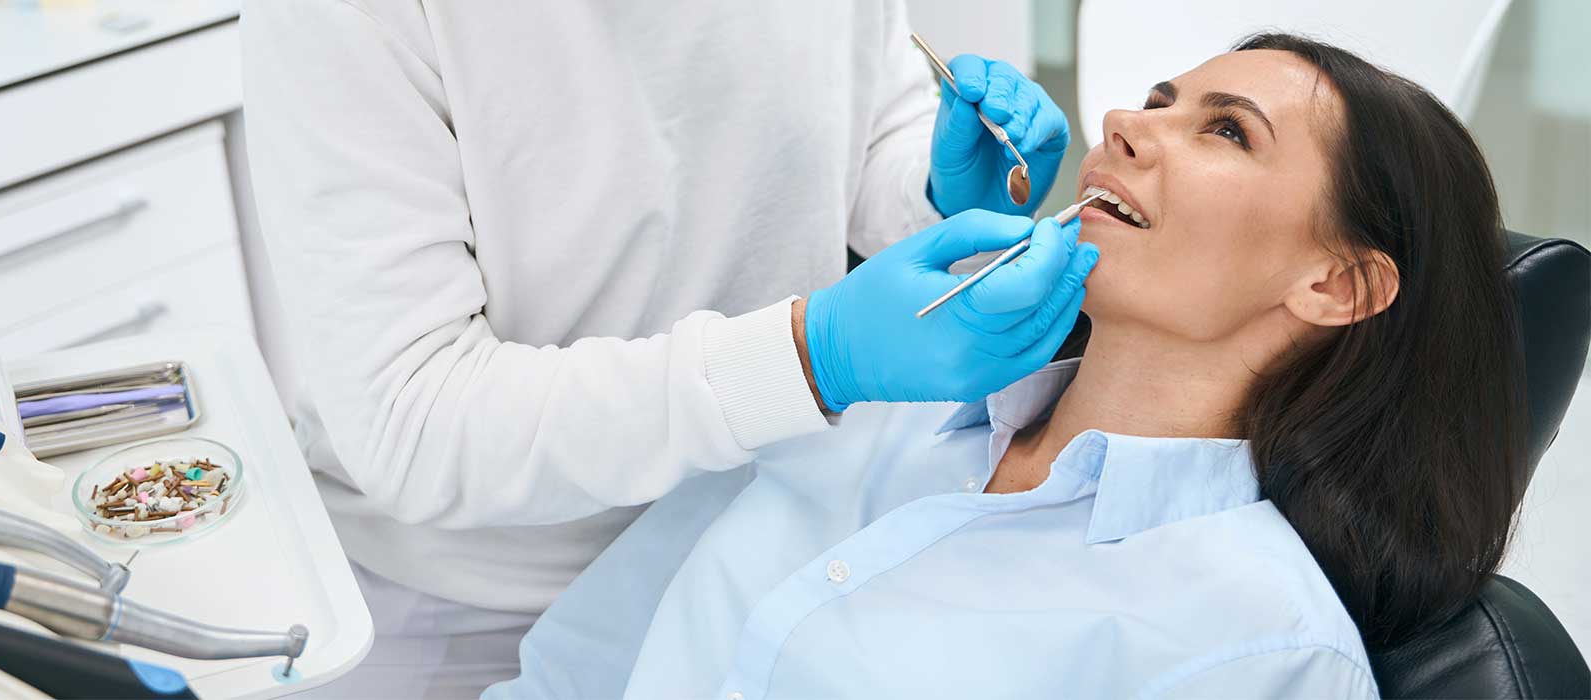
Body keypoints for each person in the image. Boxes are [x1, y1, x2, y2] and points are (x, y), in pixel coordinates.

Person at [487, 33, 1525, 698]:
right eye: (1159, 97)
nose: (1127, 124)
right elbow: (569, 673)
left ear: (1336, 286)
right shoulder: (866, 410)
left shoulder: (1258, 649)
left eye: (1225, 132)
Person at [241, 2, 1087, 694]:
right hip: (472, 590)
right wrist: (809, 357)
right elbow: (415, 421)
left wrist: (928, 189)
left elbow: (861, 123)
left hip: (754, 527)